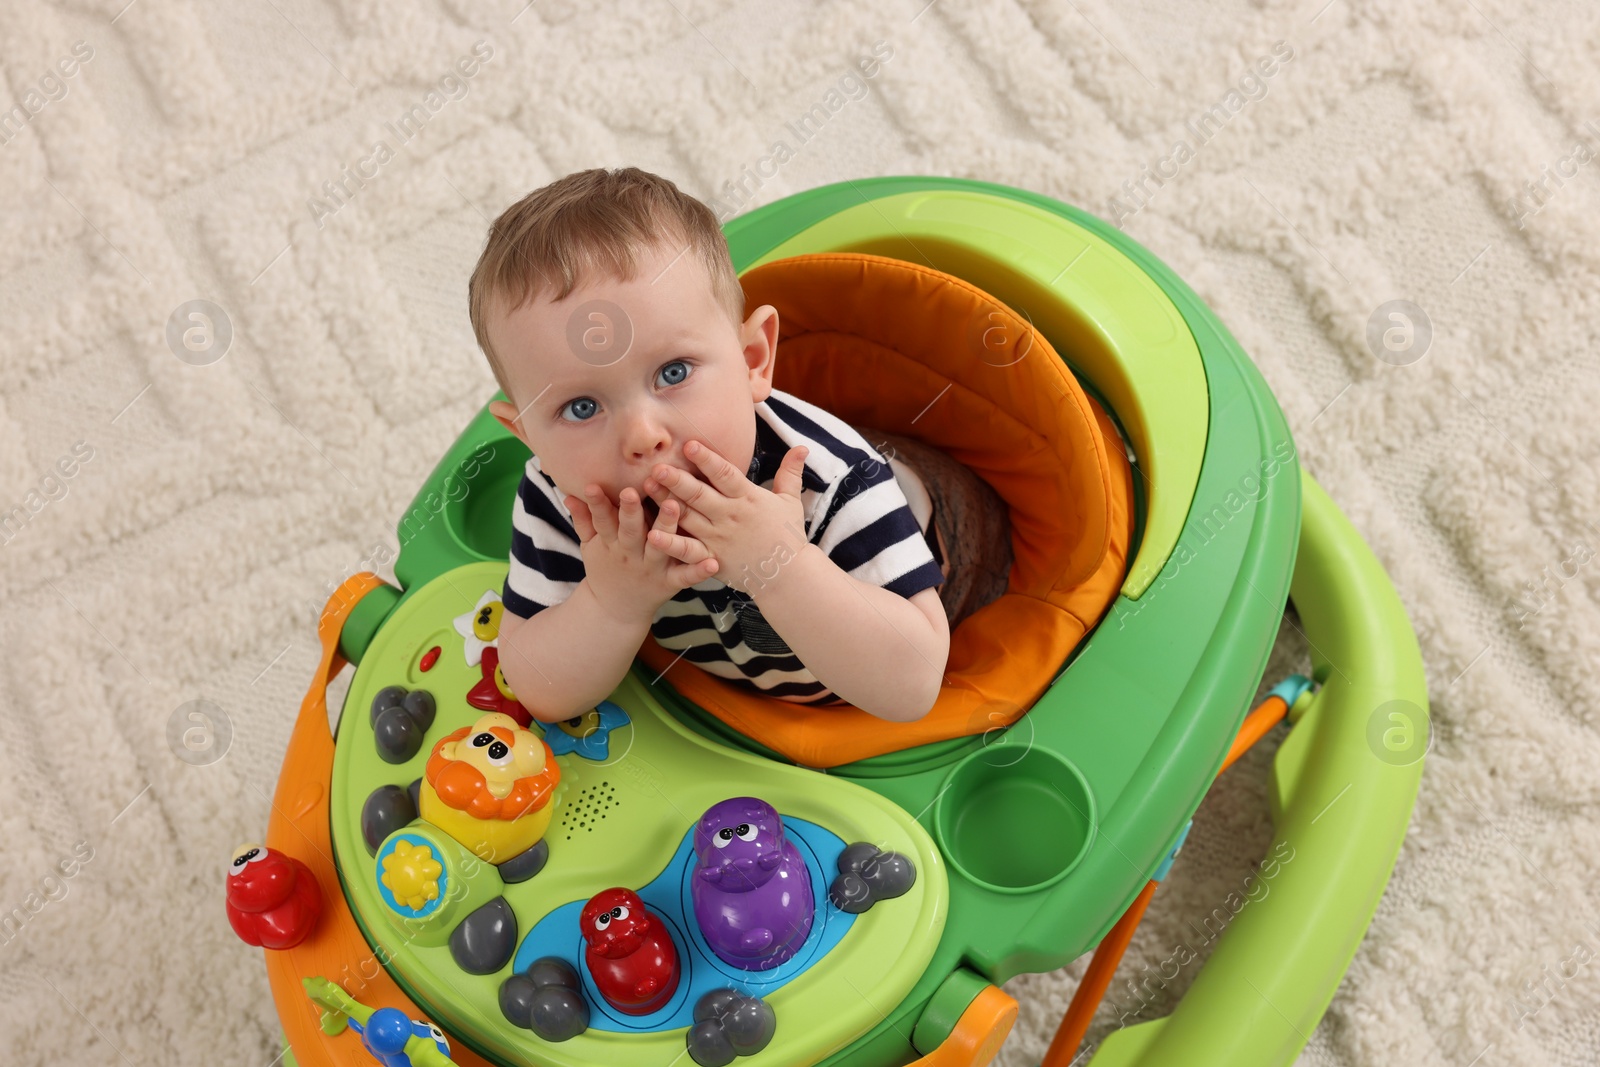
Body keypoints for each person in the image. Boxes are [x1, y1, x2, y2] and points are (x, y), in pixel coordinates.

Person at [468, 167, 1011, 724]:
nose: (642, 436)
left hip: (950, 558)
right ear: (529, 436)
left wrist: (780, 565)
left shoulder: (834, 480)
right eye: (582, 408)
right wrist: (611, 602)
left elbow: (914, 685)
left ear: (754, 360)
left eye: (673, 372)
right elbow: (542, 690)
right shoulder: (566, 499)